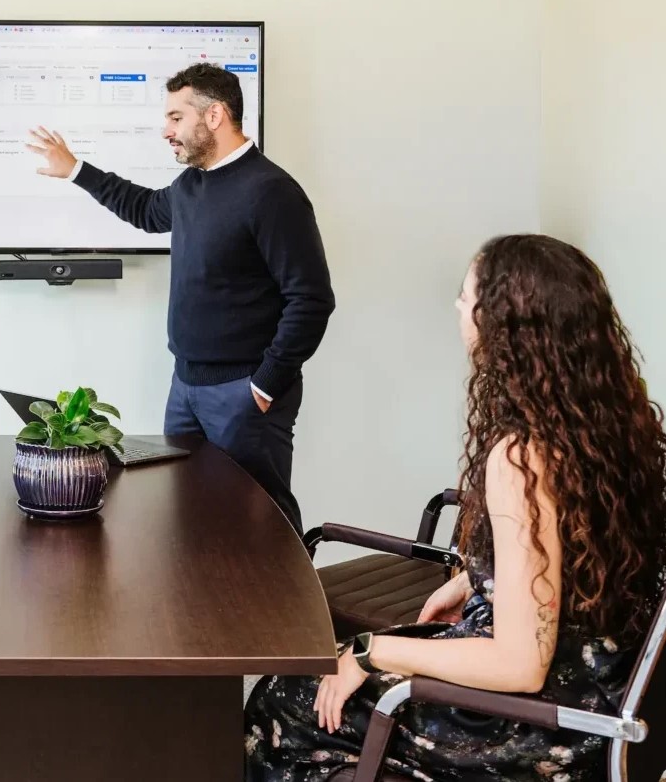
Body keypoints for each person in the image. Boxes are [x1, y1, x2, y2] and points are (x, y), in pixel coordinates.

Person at [245, 234, 666, 780]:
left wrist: (377, 651)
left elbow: (520, 663)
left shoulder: (522, 457)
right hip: (608, 685)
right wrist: (474, 580)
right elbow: (573, 548)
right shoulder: (613, 425)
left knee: (285, 700)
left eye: (465, 298)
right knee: (336, 667)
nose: (457, 308)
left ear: (505, 326)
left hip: (545, 724)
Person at [28, 62, 333, 532]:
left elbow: (311, 298)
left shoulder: (271, 192)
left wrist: (267, 382)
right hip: (186, 387)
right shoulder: (192, 185)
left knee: (259, 520)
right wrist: (76, 171)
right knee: (192, 517)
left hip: (244, 391)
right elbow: (144, 210)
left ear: (214, 116)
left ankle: (281, 608)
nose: (165, 130)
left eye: (175, 117)